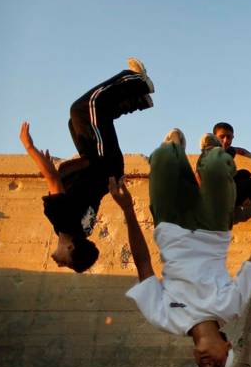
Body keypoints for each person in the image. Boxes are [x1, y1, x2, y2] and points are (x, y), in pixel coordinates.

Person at [111, 130, 251, 367]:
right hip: (213, 228)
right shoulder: (230, 306)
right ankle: (211, 151)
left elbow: (143, 265)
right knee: (216, 163)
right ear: (227, 346)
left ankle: (174, 150)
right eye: (218, 364)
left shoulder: (164, 319)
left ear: (194, 355)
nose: (208, 364)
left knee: (162, 158)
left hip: (170, 224)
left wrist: (128, 209)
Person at [18, 59, 154, 272]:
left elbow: (71, 188)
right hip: (101, 160)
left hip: (105, 166)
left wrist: (59, 169)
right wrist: (29, 146)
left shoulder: (83, 230)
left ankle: (138, 100)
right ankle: (138, 81)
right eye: (66, 261)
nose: (60, 263)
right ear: (71, 247)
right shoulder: (63, 222)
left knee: (77, 123)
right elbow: (52, 180)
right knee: (84, 109)